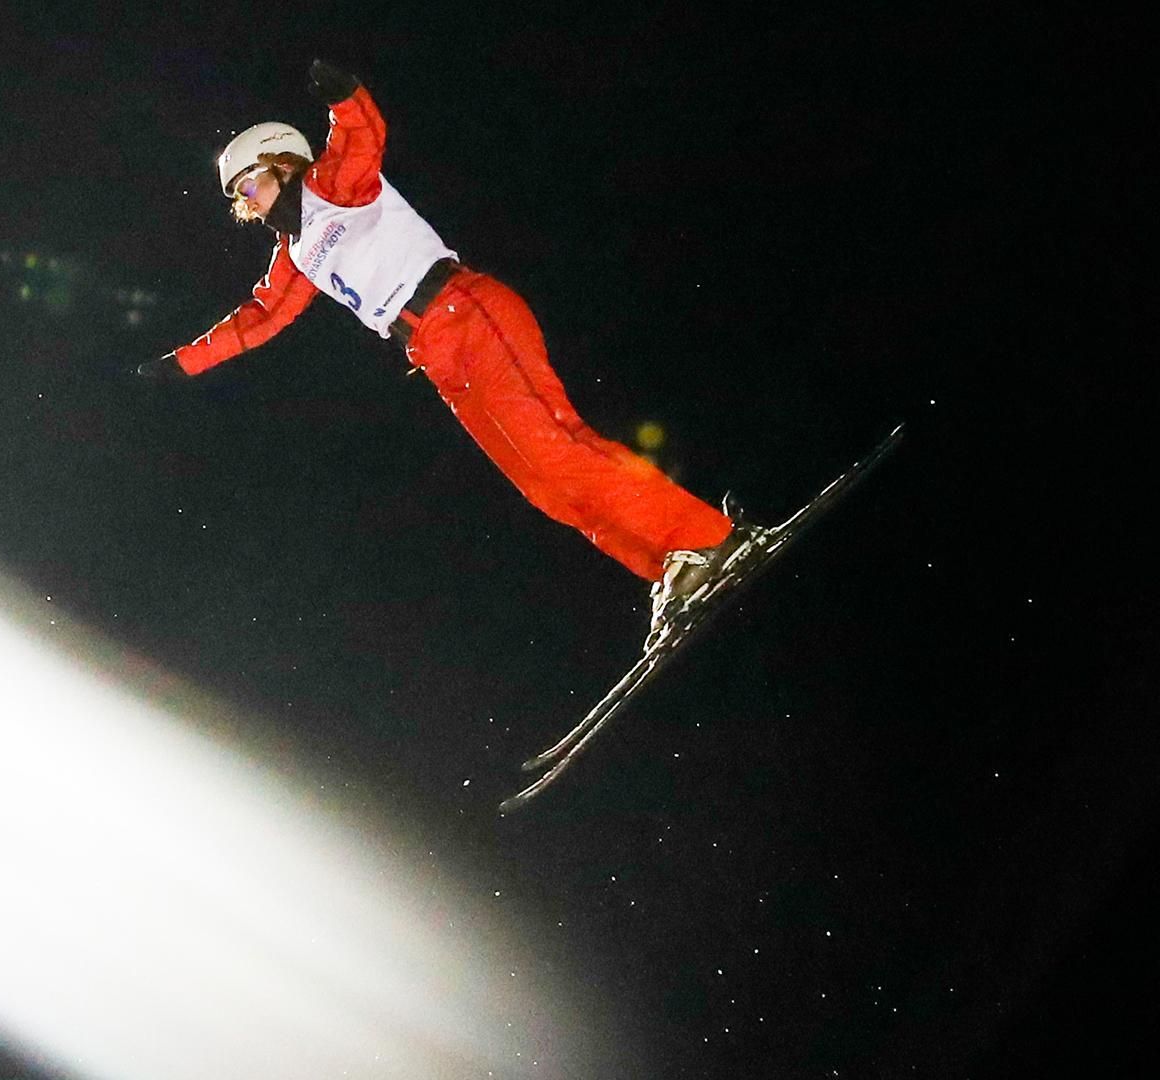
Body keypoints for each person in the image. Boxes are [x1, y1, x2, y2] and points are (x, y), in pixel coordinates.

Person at [137, 60, 759, 646]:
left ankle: (712, 537)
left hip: (468, 313)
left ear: (282, 162)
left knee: (559, 449)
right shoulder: (296, 256)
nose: (250, 198)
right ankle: (675, 569)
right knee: (543, 487)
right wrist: (181, 364)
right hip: (435, 356)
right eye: (241, 193)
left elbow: (362, 138)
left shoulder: (335, 187)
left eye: (253, 179)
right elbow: (258, 320)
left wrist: (343, 95)